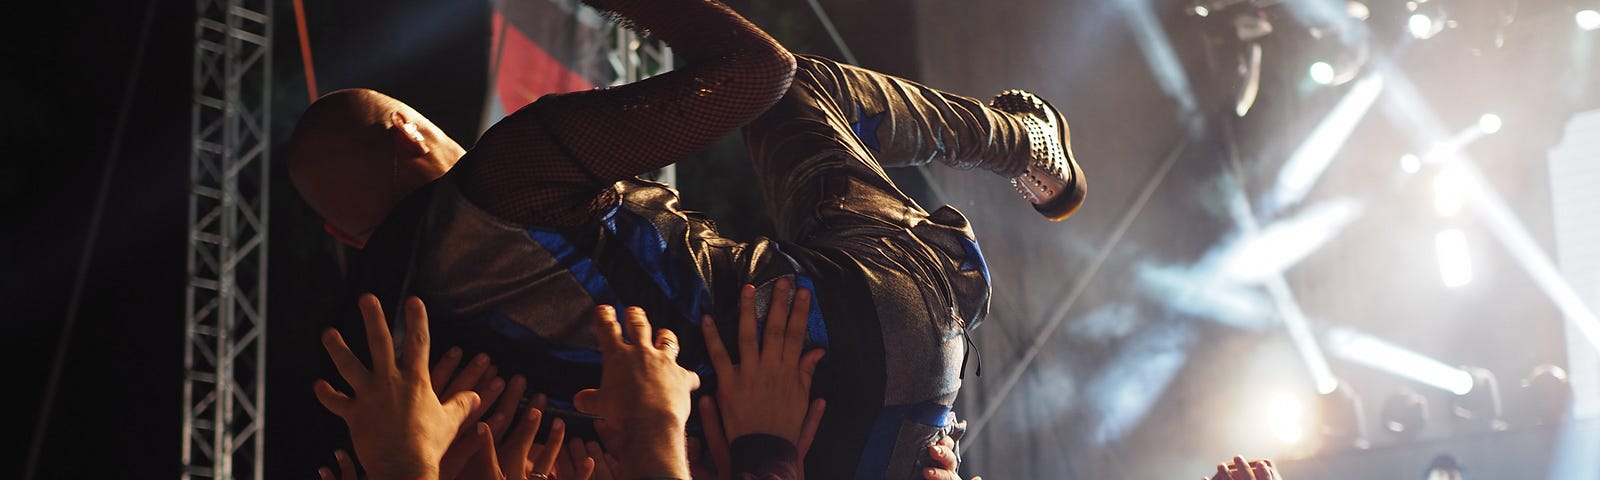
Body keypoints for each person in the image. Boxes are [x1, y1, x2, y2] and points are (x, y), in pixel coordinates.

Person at [285, 0, 1086, 476]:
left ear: (339, 230)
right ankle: (1024, 142)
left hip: (832, 455)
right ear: (405, 133)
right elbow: (752, 69)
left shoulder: (412, 389)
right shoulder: (500, 178)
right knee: (803, 89)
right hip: (852, 320)